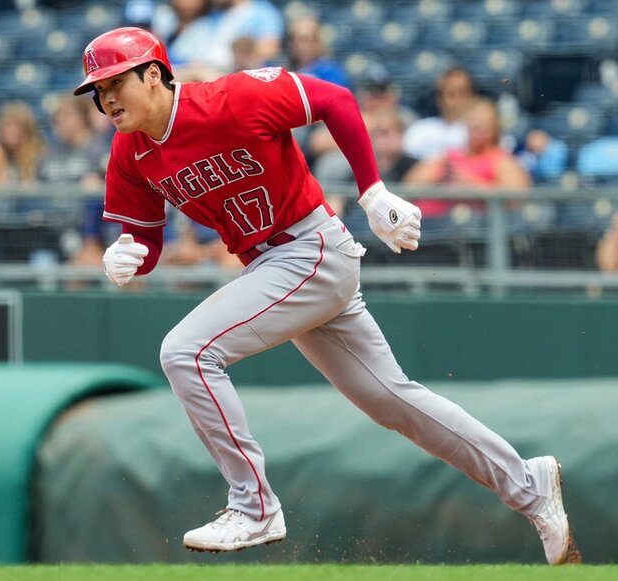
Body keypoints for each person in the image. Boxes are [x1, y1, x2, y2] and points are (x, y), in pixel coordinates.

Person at [73, 27, 579, 565]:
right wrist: (129, 255)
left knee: (187, 353)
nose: (105, 98)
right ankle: (528, 485)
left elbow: (333, 99)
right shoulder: (130, 154)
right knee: (394, 401)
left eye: (113, 82)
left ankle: (253, 505)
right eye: (96, 90)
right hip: (275, 267)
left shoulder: (230, 98)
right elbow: (146, 240)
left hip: (308, 248)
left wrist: (372, 190)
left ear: (153, 74)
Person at [404, 97, 531, 218]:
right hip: (434, 227)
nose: (476, 125)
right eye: (473, 120)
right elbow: (410, 186)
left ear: (495, 126)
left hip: (482, 229)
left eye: (483, 121)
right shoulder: (448, 156)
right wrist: (440, 177)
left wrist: (470, 184)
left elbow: (515, 199)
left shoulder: (503, 160)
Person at [402, 67, 475, 161]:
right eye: (451, 93)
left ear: (472, 96)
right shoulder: (419, 130)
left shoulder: (479, 132)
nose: (458, 99)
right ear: (439, 98)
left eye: (462, 93)